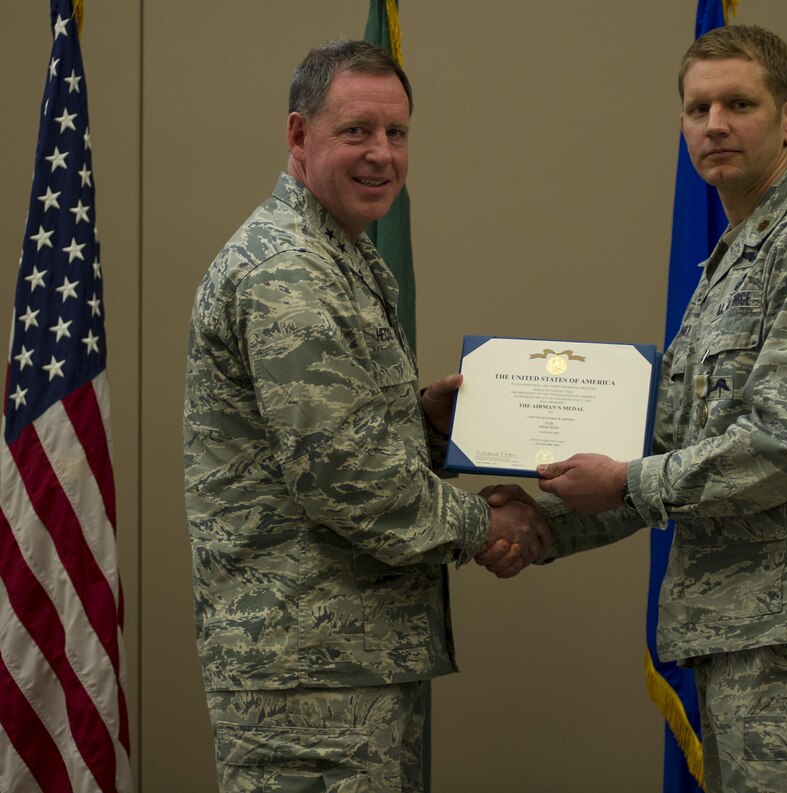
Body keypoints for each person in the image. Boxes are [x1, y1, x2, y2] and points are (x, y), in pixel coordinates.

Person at [483, 24, 787, 792]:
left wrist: (624, 482)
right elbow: (670, 446)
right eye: (697, 108)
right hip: (744, 645)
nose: (713, 124)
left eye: (738, 103)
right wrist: (545, 521)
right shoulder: (732, 260)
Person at [183, 39, 546, 792]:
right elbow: (345, 476)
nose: (381, 154)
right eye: (356, 131)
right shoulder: (287, 270)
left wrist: (428, 422)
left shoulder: (337, 255)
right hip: (307, 681)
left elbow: (331, 436)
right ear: (297, 135)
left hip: (346, 662)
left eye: (397, 133)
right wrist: (488, 526)